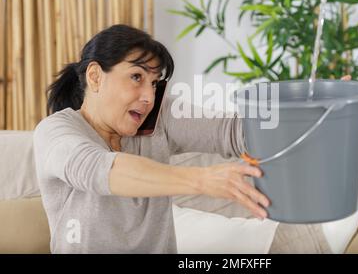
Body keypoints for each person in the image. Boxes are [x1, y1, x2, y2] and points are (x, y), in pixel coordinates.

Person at [33, 24, 269, 254]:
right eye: (136, 77)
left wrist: (294, 122)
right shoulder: (56, 131)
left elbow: (233, 132)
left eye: (154, 83)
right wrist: (203, 179)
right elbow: (98, 169)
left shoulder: (159, 119)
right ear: (95, 77)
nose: (149, 97)